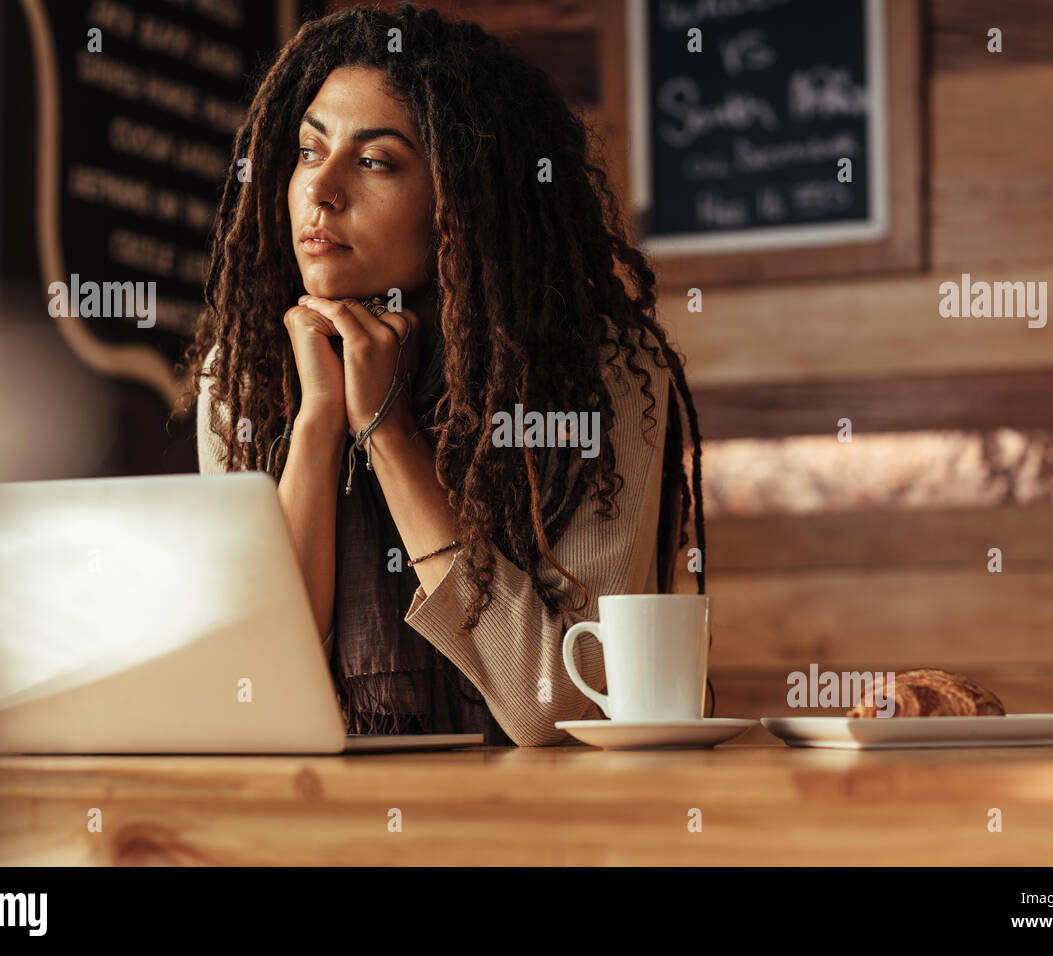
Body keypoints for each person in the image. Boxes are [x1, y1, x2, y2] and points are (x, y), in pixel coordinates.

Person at [177, 2, 711, 746]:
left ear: (460, 204)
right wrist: (320, 423)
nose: (320, 190)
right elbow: (256, 693)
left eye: (375, 161)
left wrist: (387, 431)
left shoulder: (599, 377)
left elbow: (551, 709)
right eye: (308, 150)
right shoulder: (245, 376)